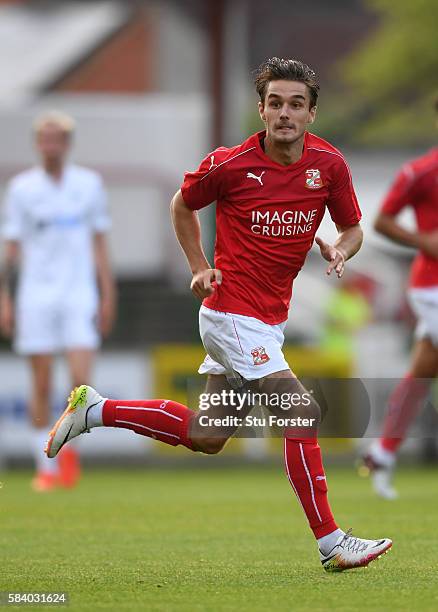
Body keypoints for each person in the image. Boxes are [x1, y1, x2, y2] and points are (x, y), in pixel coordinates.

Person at [45, 58, 391, 571]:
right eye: (275, 103)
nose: (284, 114)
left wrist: (342, 248)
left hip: (267, 320)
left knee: (208, 435)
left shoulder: (329, 165)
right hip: (232, 313)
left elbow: (354, 227)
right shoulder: (230, 164)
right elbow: (181, 206)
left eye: (296, 104)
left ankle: (94, 410)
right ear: (261, 109)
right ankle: (331, 543)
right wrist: (199, 265)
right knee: (301, 412)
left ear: (312, 113)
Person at [0, 111, 115, 492]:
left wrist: (107, 293)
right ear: (38, 144)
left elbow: (100, 244)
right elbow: (12, 249)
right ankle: (44, 467)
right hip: (35, 296)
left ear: (66, 144)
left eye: (57, 139)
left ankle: (68, 459)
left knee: (81, 384)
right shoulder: (21, 189)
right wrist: (5, 298)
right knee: (42, 380)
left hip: (78, 295)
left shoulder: (89, 184)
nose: (51, 146)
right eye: (45, 139)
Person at [362, 101, 438, 499]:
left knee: (423, 370)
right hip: (433, 287)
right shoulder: (420, 173)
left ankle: (382, 452)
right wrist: (423, 241)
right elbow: (381, 221)